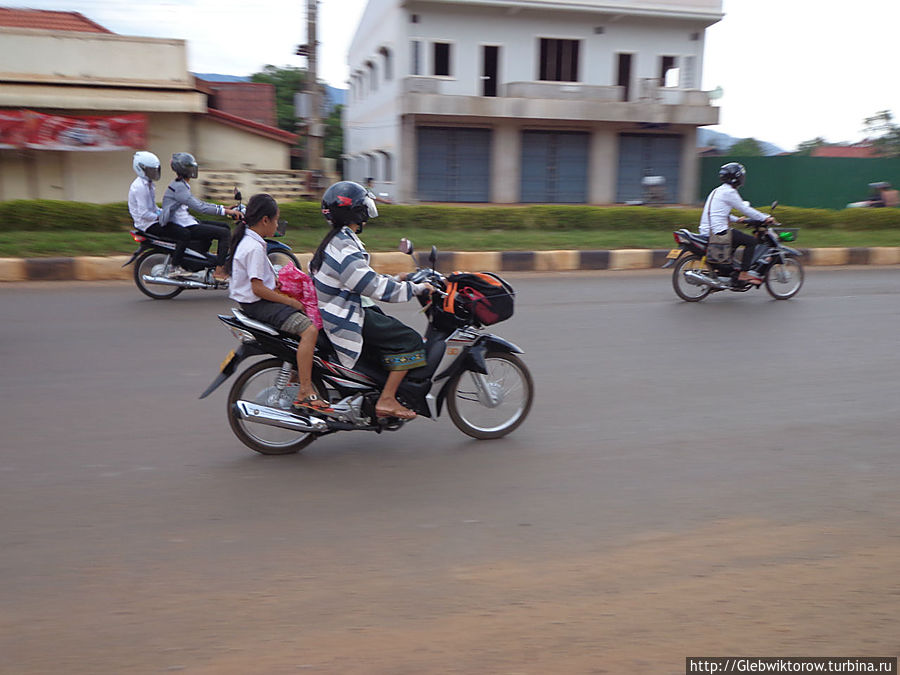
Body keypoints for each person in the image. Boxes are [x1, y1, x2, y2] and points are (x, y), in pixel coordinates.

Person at [310, 181, 433, 420]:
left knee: (387, 327)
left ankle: (376, 386)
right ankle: (387, 399)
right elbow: (371, 286)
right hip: (344, 315)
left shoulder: (338, 239)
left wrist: (397, 278)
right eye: (364, 205)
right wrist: (414, 289)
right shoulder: (344, 246)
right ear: (354, 211)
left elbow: (361, 278)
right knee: (409, 340)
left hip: (344, 306)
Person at [226, 193, 333, 416]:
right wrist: (290, 302)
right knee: (310, 330)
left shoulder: (249, 240)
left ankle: (297, 375)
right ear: (265, 220)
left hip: (253, 303)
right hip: (258, 305)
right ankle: (304, 390)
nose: (277, 224)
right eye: (275, 220)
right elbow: (258, 288)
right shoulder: (254, 247)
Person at [159, 152, 240, 281]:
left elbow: (200, 203)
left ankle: (206, 259)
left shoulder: (181, 184)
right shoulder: (179, 187)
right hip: (183, 225)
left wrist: (224, 208)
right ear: (184, 169)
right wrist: (226, 212)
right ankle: (219, 270)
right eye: (191, 167)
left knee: (224, 226)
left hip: (187, 221)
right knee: (224, 233)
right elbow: (201, 208)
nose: (194, 170)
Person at [700, 162, 774, 285]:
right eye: (741, 176)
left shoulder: (717, 190)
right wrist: (765, 218)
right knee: (751, 241)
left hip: (707, 230)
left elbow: (720, 213)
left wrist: (736, 220)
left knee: (736, 238)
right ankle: (744, 274)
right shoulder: (730, 192)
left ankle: (728, 271)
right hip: (718, 232)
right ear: (736, 178)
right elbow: (746, 209)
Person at [128, 150, 163, 233]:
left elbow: (153, 208)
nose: (154, 173)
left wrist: (163, 212)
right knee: (182, 233)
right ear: (140, 168)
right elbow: (144, 214)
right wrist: (160, 217)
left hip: (152, 221)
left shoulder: (148, 184)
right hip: (146, 225)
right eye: (150, 170)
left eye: (155, 170)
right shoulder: (140, 187)